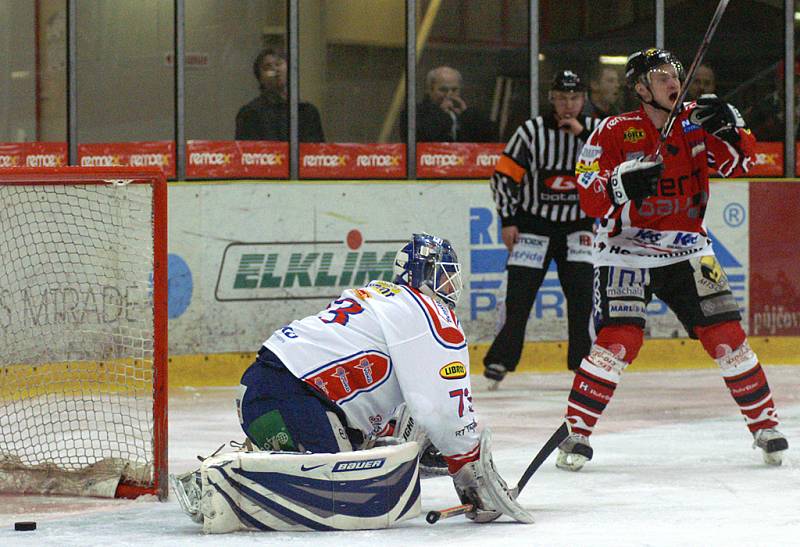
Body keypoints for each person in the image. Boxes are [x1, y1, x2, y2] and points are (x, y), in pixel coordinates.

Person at [171, 233, 532, 531]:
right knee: (354, 500)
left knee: (377, 443)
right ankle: (223, 485)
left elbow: (402, 402)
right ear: (426, 276)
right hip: (294, 399)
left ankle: (262, 460)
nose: (450, 287)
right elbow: (442, 405)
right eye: (445, 276)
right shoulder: (428, 313)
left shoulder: (376, 296)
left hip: (261, 394)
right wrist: (469, 469)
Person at [555, 48, 789, 472]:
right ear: (640, 88)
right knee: (618, 342)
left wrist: (734, 128)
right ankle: (576, 433)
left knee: (727, 337)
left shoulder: (696, 123)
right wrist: (620, 183)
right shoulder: (612, 131)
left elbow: (740, 164)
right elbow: (588, 195)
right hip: (624, 250)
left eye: (675, 74)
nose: (672, 81)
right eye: (660, 75)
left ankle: (765, 425)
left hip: (689, 248)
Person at [483, 70, 601, 387]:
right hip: (533, 224)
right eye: (562, 98)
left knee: (582, 296)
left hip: (579, 226)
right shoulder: (531, 132)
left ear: (584, 99)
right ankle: (499, 360)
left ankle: (584, 364)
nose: (568, 105)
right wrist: (508, 219)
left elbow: (612, 172)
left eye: (575, 98)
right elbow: (502, 177)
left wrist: (582, 136)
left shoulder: (597, 133)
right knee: (519, 296)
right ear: (552, 99)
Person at [235, 48, 325, 142]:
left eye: (279, 64)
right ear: (260, 78)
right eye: (268, 67)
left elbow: (317, 151)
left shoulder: (306, 111)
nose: (275, 70)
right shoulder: (250, 113)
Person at [402, 66, 497, 142]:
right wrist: (441, 114)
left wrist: (467, 115)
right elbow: (421, 139)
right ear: (429, 90)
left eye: (454, 90)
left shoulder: (469, 115)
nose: (449, 95)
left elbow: (492, 137)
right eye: (443, 90)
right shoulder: (413, 114)